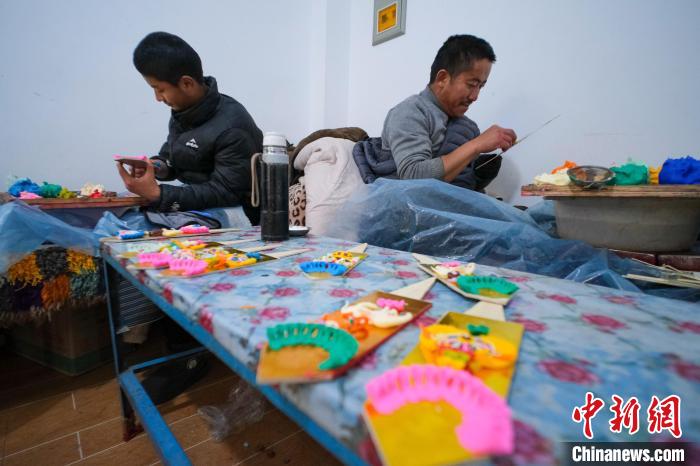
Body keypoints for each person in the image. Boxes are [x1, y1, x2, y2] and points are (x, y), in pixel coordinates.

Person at [118, 31, 262, 224]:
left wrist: (159, 194)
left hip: (237, 212)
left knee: (134, 227)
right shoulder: (185, 111)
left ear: (187, 83)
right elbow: (173, 155)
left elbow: (226, 192)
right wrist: (156, 166)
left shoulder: (232, 127)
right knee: (119, 215)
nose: (158, 98)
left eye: (160, 89)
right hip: (202, 205)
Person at [381, 34, 517, 191]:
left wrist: (480, 175)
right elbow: (412, 177)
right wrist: (476, 145)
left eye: (481, 86)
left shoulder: (468, 127)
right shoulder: (409, 112)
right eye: (471, 84)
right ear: (442, 78)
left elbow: (459, 186)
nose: (475, 96)